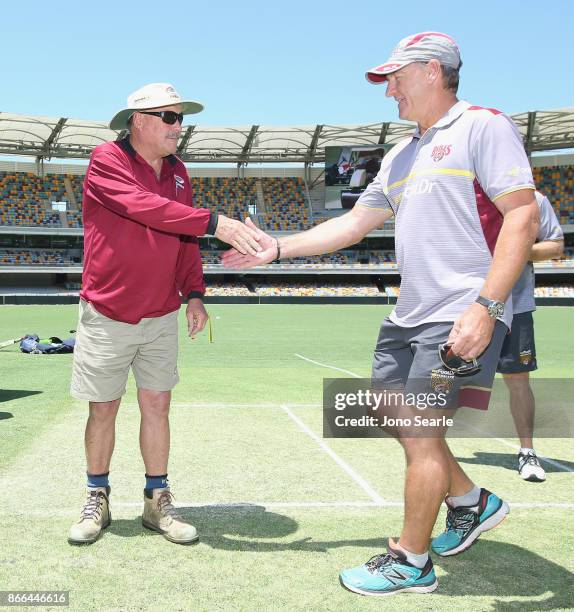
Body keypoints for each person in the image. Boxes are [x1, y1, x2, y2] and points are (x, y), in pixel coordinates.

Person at [223, 32, 539, 596]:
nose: (388, 88)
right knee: (396, 417)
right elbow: (351, 226)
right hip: (408, 316)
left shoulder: (483, 127)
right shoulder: (400, 154)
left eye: (396, 75)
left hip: (459, 312)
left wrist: (487, 307)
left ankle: (411, 561)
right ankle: (470, 500)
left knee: (420, 433)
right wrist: (277, 248)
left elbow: (521, 216)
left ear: (434, 71)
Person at [68, 83, 262, 546]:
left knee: (158, 405)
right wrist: (217, 221)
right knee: (104, 408)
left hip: (159, 313)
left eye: (181, 118)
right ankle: (98, 496)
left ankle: (157, 501)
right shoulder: (107, 160)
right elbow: (146, 209)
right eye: (170, 118)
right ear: (139, 121)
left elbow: (183, 236)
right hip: (107, 310)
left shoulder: (178, 171)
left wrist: (194, 293)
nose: (180, 127)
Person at [497, 191, 563, 482]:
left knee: (518, 380)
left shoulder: (535, 199)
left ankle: (527, 451)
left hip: (516, 304)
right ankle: (430, 444)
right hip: (464, 302)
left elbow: (556, 245)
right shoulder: (466, 192)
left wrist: (515, 250)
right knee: (444, 373)